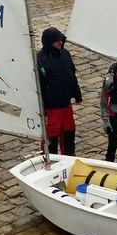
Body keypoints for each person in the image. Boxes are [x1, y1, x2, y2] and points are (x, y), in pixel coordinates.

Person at [37, 27, 82, 156]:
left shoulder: (65, 54)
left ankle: (69, 159)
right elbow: (39, 85)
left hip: (66, 104)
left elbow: (71, 74)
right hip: (51, 108)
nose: (60, 43)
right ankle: (49, 160)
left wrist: (77, 93)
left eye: (60, 40)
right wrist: (42, 107)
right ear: (49, 42)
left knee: (69, 133)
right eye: (57, 41)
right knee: (51, 137)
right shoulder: (40, 59)